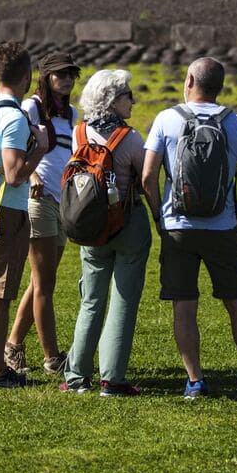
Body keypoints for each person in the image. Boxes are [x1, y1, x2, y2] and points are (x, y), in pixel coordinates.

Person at [142, 57, 237, 400]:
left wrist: (158, 216)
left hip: (177, 228)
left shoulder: (166, 119)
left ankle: (196, 381)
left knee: (184, 306)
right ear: (221, 87)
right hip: (222, 227)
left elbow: (147, 177)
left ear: (188, 80)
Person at [60, 69, 151, 396]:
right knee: (123, 302)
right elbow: (145, 181)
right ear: (113, 101)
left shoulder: (78, 132)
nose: (133, 100)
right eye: (128, 94)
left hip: (92, 225)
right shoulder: (131, 138)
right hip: (128, 224)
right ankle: (112, 379)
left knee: (91, 300)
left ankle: (76, 377)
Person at [0, 42, 48, 389]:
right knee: (0, 296)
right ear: (27, 76)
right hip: (7, 211)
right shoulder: (14, 118)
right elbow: (15, 173)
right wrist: (41, 150)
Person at [4, 52, 81, 376]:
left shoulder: (72, 113)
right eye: (60, 74)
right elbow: (20, 149)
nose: (66, 79)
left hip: (63, 201)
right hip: (39, 200)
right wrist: (33, 178)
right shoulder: (31, 107)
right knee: (44, 283)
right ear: (46, 77)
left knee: (40, 282)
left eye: (71, 74)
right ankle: (52, 357)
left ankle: (12, 345)